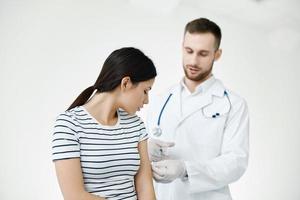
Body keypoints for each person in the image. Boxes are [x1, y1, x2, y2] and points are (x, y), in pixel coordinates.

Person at [146, 18, 250, 200]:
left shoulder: (234, 104)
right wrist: (145, 150)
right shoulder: (160, 99)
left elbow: (236, 162)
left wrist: (186, 170)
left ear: (217, 55)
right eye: (189, 51)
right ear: (182, 47)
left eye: (203, 53)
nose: (193, 60)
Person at [52, 47, 157, 200]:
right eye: (145, 91)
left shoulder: (136, 125)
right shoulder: (69, 124)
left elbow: (145, 187)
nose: (147, 100)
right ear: (126, 83)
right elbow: (74, 196)